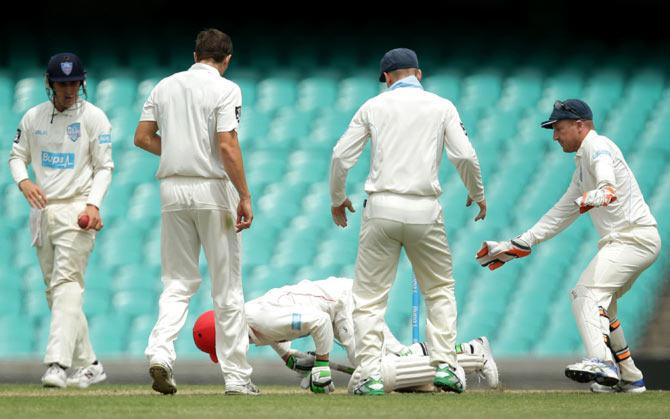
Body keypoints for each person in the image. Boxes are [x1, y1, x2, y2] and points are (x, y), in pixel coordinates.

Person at [328, 48, 487, 395]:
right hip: (425, 208)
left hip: (381, 207)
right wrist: (477, 192)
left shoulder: (374, 106)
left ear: (387, 77)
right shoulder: (441, 105)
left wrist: (337, 198)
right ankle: (446, 365)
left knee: (369, 299)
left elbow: (341, 155)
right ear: (419, 73)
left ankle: (370, 374)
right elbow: (464, 154)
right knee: (440, 290)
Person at [476, 99, 660, 394]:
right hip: (631, 240)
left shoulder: (598, 147)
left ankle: (602, 362)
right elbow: (562, 211)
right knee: (605, 307)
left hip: (633, 239)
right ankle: (630, 376)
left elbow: (606, 181)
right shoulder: (582, 164)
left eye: (559, 128)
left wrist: (604, 191)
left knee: (584, 294)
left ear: (579, 126)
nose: (555, 136)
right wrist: (520, 243)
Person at [133, 28, 256, 396]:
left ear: (195, 54)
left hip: (172, 189)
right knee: (227, 287)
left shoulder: (165, 85)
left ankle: (160, 352)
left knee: (178, 282)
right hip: (210, 188)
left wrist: (177, 155)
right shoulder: (226, 88)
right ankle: (236, 378)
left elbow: (141, 137)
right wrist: (245, 195)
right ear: (227, 59)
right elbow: (227, 145)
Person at [192, 277, 499, 394]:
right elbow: (270, 334)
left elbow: (318, 322)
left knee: (371, 365)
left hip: (343, 302)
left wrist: (323, 365)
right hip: (339, 304)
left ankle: (473, 352)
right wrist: (288, 356)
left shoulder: (259, 318)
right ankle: (470, 353)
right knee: (393, 359)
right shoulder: (248, 323)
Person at [8, 52, 113, 388]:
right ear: (49, 83)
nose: (69, 89)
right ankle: (91, 364)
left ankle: (56, 363)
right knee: (55, 292)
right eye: (62, 83)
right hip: (43, 212)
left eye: (74, 82)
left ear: (82, 83)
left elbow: (104, 167)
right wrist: (24, 182)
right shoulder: (33, 116)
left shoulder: (95, 118)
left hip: (77, 209)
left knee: (68, 284)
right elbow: (16, 156)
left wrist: (94, 205)